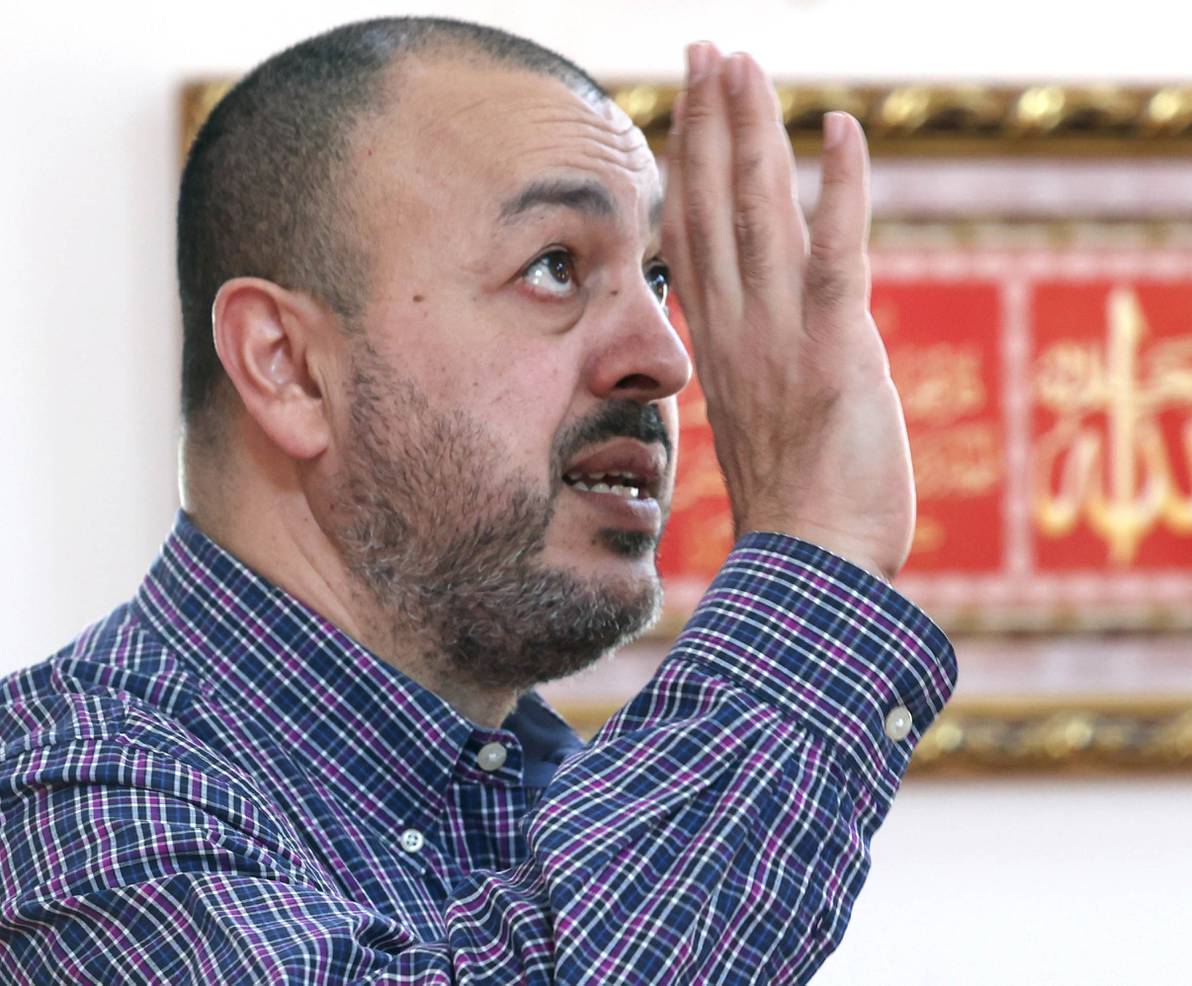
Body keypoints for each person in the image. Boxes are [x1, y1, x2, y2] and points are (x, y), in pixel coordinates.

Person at [0, 16, 955, 984]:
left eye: (658, 278)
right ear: (288, 368)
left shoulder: (558, 803)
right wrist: (812, 554)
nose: (665, 358)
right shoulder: (61, 799)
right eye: (555, 267)